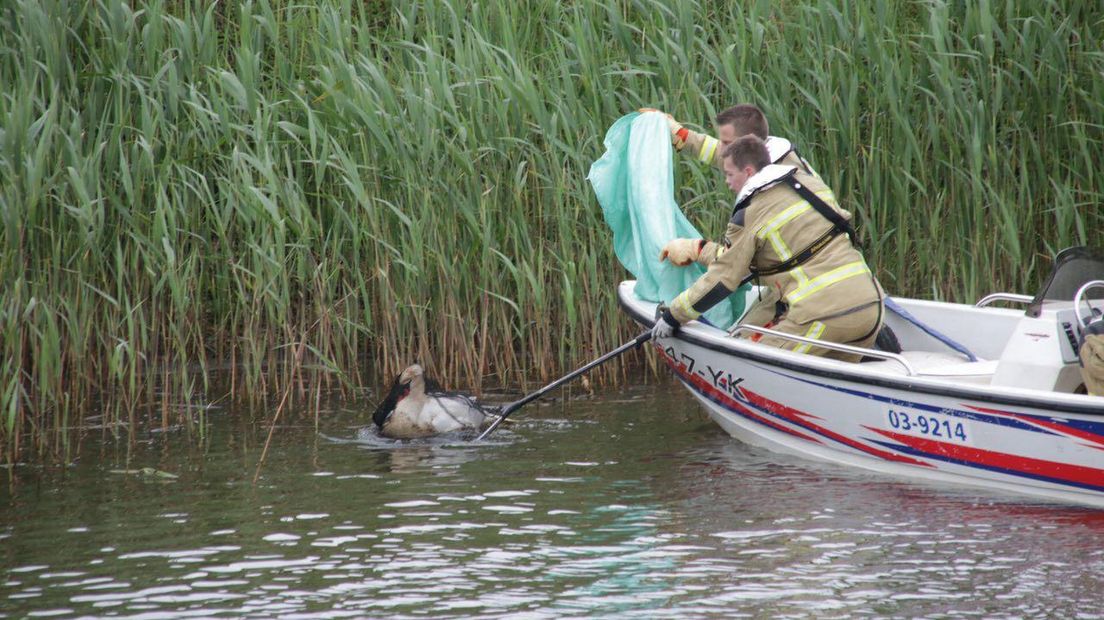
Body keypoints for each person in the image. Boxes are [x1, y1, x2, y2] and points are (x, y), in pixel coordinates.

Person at [652, 135, 883, 362]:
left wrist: (674, 316)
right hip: (872, 308)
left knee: (744, 362)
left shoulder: (750, 213)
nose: (726, 182)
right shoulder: (808, 181)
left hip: (821, 318)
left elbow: (724, 278)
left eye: (729, 175)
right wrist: (685, 136)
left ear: (750, 172)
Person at [643, 103, 817, 176]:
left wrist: (697, 248)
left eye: (727, 143)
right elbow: (714, 152)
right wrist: (680, 134)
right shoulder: (765, 153)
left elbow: (736, 252)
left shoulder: (772, 179)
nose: (722, 150)